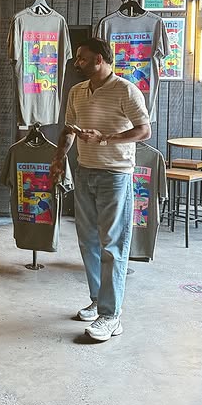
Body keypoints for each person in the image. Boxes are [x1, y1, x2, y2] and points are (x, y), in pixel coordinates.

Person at [50, 37, 151, 342]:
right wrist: (58, 159)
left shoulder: (126, 90)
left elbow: (144, 130)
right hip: (85, 171)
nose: (77, 63)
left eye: (82, 58)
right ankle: (98, 301)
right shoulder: (77, 91)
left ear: (100, 59)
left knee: (112, 246)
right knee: (88, 242)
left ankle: (111, 316)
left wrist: (105, 138)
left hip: (115, 175)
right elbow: (69, 130)